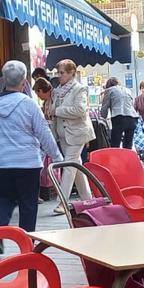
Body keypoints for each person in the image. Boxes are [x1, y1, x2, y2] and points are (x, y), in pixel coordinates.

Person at [0, 61, 62, 252]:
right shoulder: (29, 104)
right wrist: (57, 157)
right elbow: (43, 134)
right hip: (27, 163)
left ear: (3, 80)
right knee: (28, 204)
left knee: (6, 199)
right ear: (24, 82)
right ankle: (26, 247)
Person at [46, 59, 95, 211]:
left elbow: (79, 110)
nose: (59, 76)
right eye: (58, 73)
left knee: (69, 164)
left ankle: (62, 201)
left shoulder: (79, 89)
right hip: (63, 133)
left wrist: (56, 111)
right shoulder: (57, 91)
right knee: (76, 165)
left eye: (62, 73)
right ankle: (88, 199)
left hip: (77, 133)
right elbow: (53, 111)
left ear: (71, 73)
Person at [99, 77, 140, 149]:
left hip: (119, 117)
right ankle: (126, 159)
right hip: (132, 118)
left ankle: (116, 159)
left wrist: (102, 118)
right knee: (128, 144)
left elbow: (104, 108)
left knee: (115, 144)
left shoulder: (109, 90)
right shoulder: (127, 90)